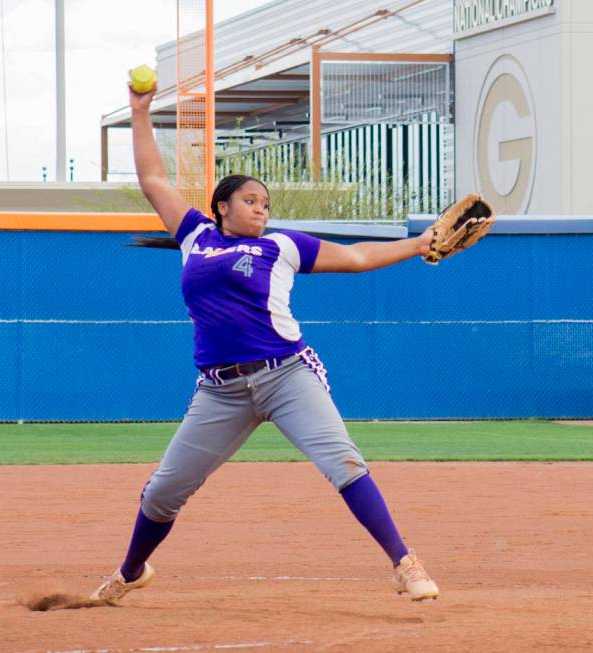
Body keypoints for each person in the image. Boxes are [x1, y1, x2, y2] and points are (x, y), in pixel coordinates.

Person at [91, 79, 439, 605]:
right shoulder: (194, 237)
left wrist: (417, 243)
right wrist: (141, 112)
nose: (261, 208)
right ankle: (131, 570)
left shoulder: (282, 245)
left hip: (286, 375)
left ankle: (404, 563)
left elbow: (359, 258)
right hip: (220, 391)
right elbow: (153, 177)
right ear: (221, 207)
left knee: (343, 463)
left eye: (265, 203)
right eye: (249, 200)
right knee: (163, 491)